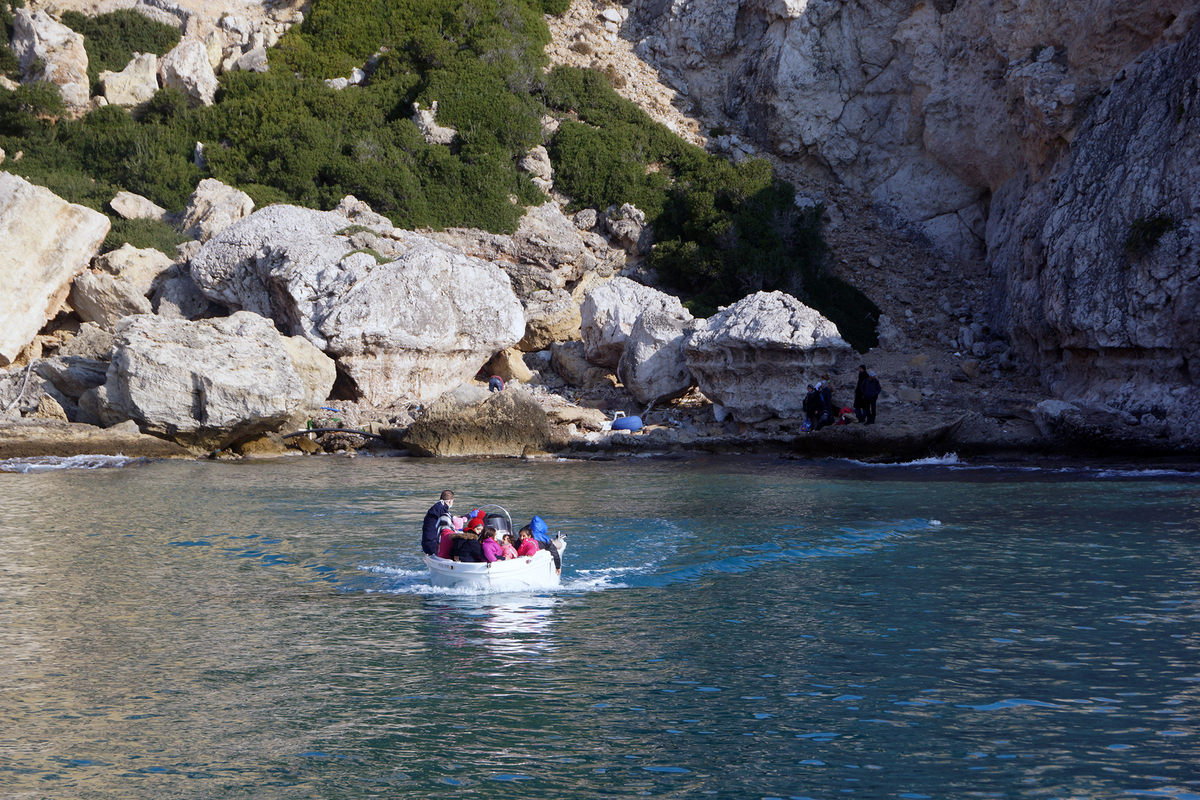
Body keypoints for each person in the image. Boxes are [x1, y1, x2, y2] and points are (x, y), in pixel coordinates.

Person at [421, 489, 454, 555]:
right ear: (450, 501)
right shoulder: (441, 510)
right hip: (432, 544)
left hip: (426, 542)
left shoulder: (436, 507)